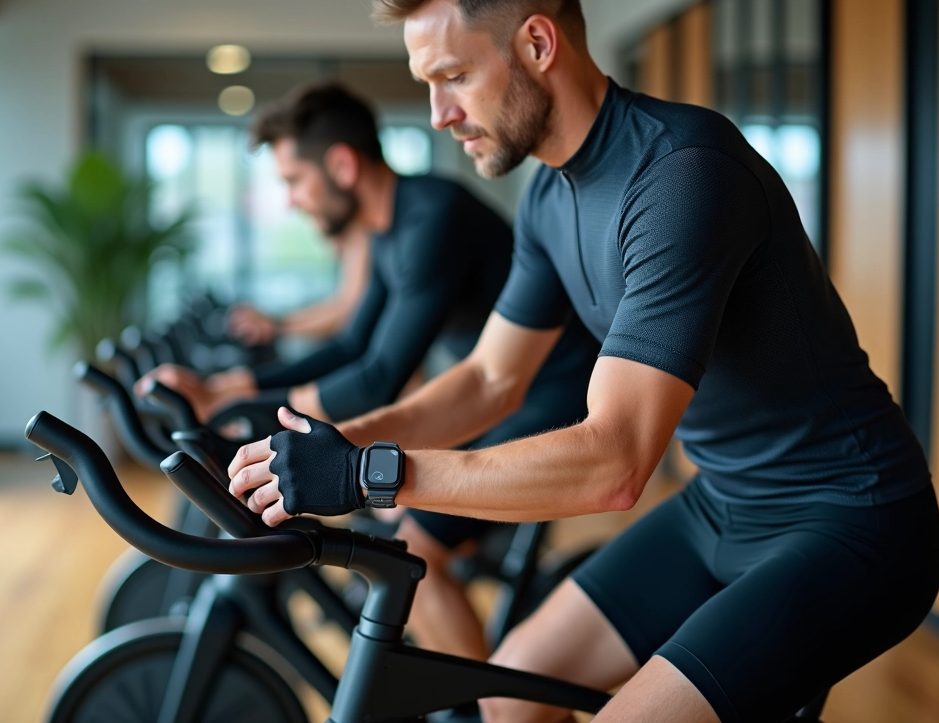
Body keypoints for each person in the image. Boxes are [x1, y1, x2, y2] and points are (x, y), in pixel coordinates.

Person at [226, 0, 939, 723]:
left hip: (853, 520)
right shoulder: (546, 198)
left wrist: (373, 474)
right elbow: (491, 379)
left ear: (538, 45)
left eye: (453, 77)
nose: (437, 115)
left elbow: (615, 463)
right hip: (722, 505)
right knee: (505, 698)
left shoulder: (681, 176)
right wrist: (349, 443)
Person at [141, 82, 598, 658]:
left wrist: (243, 406)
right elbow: (355, 345)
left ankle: (488, 711)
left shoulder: (432, 217)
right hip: (504, 400)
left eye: (293, 181)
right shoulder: (391, 230)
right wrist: (230, 391)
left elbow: (382, 373)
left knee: (414, 552)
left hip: (553, 402)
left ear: (341, 165)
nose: (291, 201)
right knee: (394, 528)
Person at [226, 224, 371, 347]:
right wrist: (276, 324)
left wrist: (276, 327)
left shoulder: (359, 231)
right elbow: (341, 304)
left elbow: (348, 311)